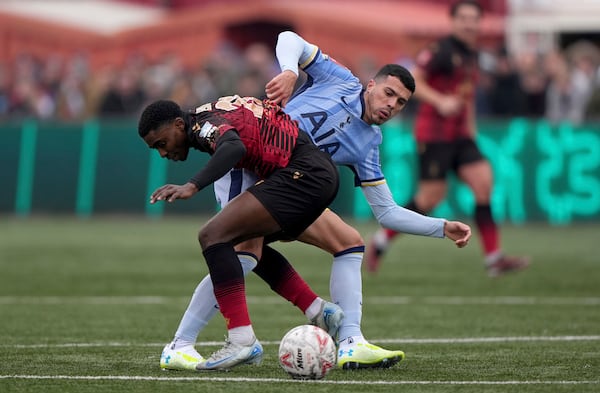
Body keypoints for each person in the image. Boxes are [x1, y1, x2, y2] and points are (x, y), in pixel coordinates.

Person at [159, 30, 472, 372]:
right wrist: (291, 71)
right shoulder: (340, 81)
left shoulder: (368, 144)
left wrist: (440, 227)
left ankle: (351, 342)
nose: (391, 105)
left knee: (349, 243)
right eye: (388, 93)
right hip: (248, 166)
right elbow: (288, 38)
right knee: (244, 252)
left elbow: (387, 213)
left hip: (293, 183)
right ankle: (181, 345)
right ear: (370, 85)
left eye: (400, 103)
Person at [138, 96, 345, 370]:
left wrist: (192, 185)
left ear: (179, 124)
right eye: (156, 150)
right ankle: (318, 310)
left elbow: (233, 146)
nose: (163, 153)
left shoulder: (203, 125)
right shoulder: (211, 114)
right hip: (316, 175)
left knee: (212, 236)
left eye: (162, 144)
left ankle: (240, 339)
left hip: (303, 175)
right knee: (244, 245)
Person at [367, 0, 530, 277]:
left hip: (461, 135)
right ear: (453, 21)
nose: (469, 24)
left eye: (473, 19)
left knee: (483, 183)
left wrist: (471, 131)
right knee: (430, 199)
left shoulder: (472, 54)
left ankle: (493, 259)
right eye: (463, 18)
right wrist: (441, 101)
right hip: (434, 134)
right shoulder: (440, 50)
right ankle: (381, 241)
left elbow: (465, 99)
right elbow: (414, 81)